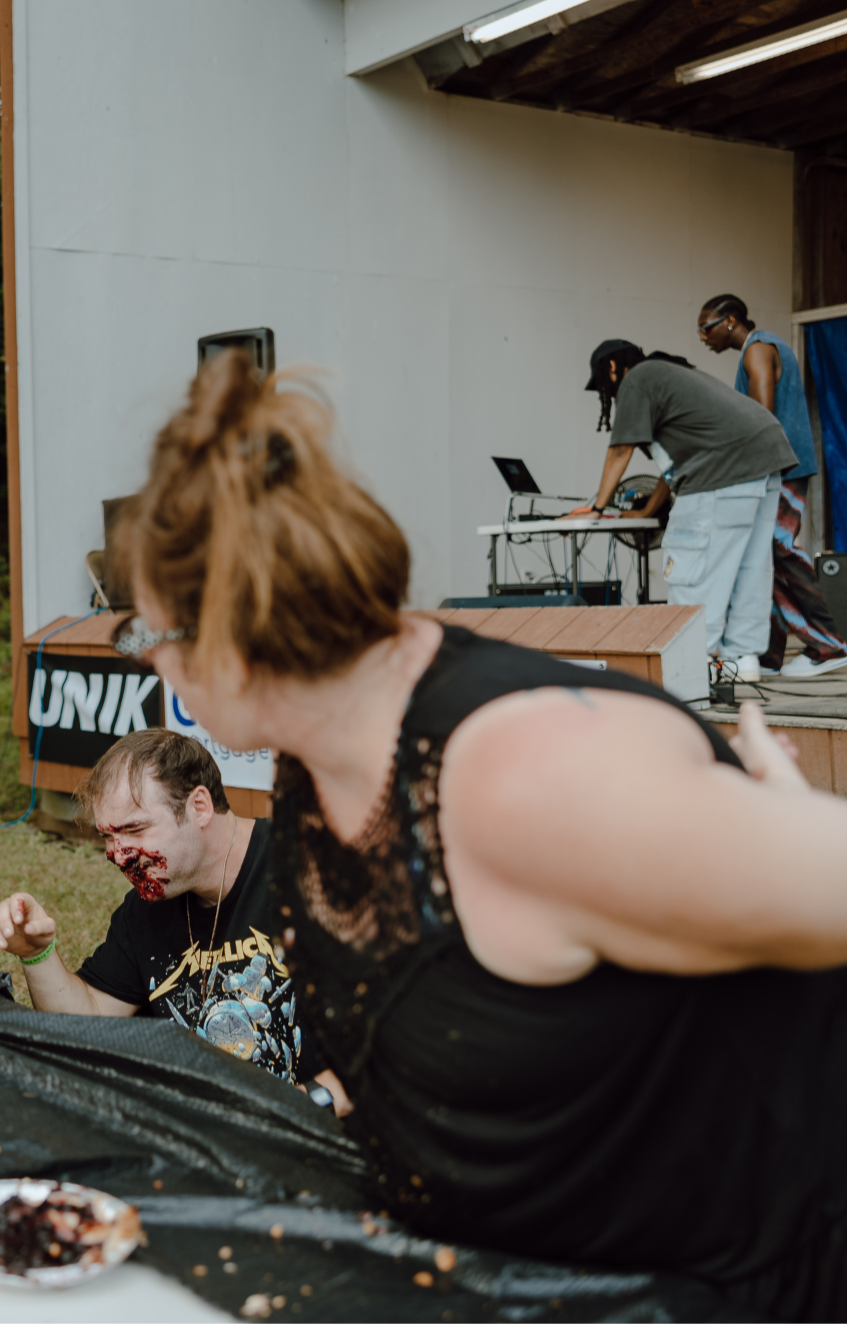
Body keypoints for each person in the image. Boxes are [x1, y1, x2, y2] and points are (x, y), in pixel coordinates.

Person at [121, 349, 847, 1319]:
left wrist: (792, 838)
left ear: (221, 638)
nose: (147, 661)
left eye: (146, 634)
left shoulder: (521, 778)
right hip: (490, 1274)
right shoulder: (313, 760)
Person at [0, 729, 339, 1101]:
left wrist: (305, 1107)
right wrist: (37, 953)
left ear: (199, 806)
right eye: (108, 837)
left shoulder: (317, 875)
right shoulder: (146, 909)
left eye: (135, 829)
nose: (119, 856)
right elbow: (87, 1022)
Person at [572, 339, 794, 682]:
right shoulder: (671, 375)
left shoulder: (637, 379)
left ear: (613, 368)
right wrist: (649, 507)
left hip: (723, 469)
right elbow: (673, 468)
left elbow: (620, 449)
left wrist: (596, 508)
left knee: (692, 562)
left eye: (604, 383)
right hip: (766, 460)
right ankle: (742, 660)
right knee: (751, 566)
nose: (608, 392)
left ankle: (694, 665)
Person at [697, 294, 847, 678]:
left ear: (730, 320)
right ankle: (768, 655)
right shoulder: (762, 346)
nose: (702, 336)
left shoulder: (757, 349)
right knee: (764, 555)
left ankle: (830, 645)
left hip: (780, 468)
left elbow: (760, 415)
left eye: (706, 327)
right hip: (779, 466)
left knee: (778, 549)